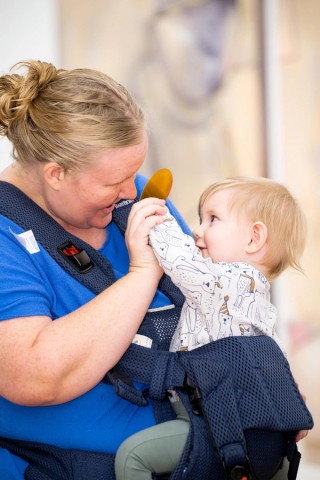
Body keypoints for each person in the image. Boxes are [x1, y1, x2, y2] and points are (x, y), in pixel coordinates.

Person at [0, 60, 190, 479]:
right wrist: (142, 274)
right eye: (113, 182)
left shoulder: (135, 197)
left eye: (134, 172)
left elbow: (210, 298)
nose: (130, 192)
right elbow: (32, 377)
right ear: (55, 174)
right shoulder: (6, 238)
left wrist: (261, 383)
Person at [115, 176, 307, 480]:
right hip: (247, 431)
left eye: (213, 219)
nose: (197, 230)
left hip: (214, 424)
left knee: (133, 457)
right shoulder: (256, 299)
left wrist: (145, 213)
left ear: (254, 238)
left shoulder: (231, 280)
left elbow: (182, 262)